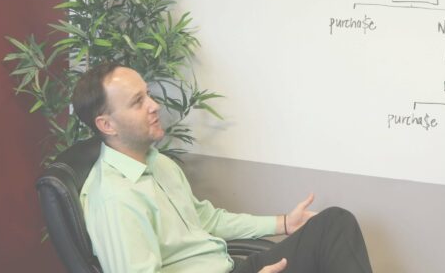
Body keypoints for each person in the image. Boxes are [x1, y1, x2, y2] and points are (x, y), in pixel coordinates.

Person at [73, 63, 374, 273]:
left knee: (335, 224)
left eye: (148, 94)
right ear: (107, 124)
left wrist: (283, 224)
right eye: (138, 102)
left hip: (230, 267)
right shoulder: (116, 200)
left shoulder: (157, 162)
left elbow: (206, 219)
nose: (154, 105)